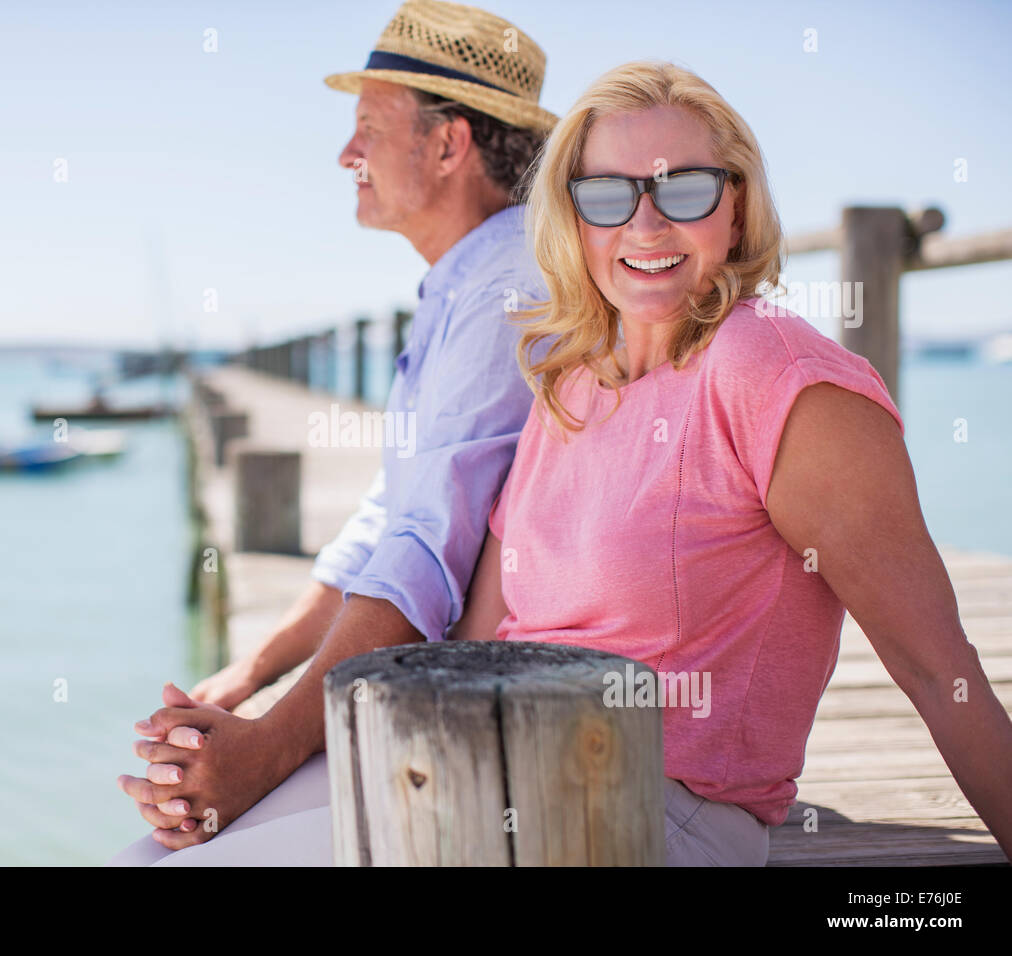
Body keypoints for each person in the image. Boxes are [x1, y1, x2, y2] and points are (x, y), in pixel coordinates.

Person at [448, 60, 1012, 864]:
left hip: (654, 812)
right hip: (497, 770)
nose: (645, 226)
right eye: (608, 195)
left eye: (684, 190)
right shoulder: (570, 377)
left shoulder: (775, 377)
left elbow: (938, 669)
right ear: (571, 218)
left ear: (737, 205)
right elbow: (479, 638)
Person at [108, 0, 558, 865]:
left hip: (507, 724)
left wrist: (266, 747)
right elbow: (389, 521)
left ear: (449, 144)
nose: (346, 154)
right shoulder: (464, 281)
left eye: (367, 128)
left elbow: (422, 553)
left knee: (155, 860)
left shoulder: (509, 286)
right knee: (154, 852)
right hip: (459, 696)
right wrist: (250, 675)